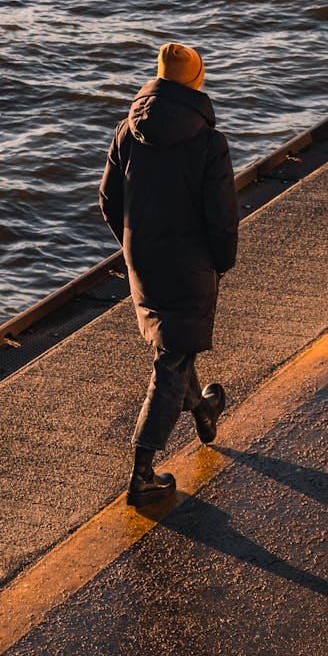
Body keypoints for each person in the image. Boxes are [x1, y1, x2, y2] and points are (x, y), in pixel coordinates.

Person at [99, 42, 239, 506]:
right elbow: (221, 218)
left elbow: (107, 199)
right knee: (171, 361)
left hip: (143, 260)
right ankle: (141, 471)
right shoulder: (207, 143)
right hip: (189, 264)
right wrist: (221, 260)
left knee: (174, 345)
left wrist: (132, 245)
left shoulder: (127, 131)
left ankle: (203, 409)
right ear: (195, 82)